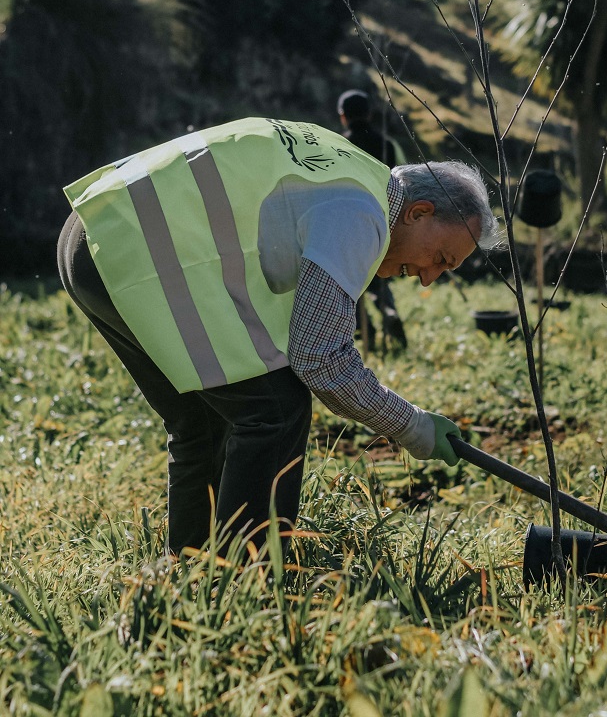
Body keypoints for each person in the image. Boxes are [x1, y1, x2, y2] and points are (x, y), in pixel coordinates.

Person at [57, 116, 499, 557]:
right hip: (135, 250)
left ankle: (192, 572)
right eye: (441, 258)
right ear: (419, 212)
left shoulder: (351, 170)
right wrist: (413, 426)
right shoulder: (362, 214)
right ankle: (250, 580)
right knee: (277, 409)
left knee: (204, 421)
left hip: (93, 234)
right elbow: (320, 360)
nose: (428, 279)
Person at [337, 89, 406, 349]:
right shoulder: (388, 144)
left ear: (343, 116)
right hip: (382, 224)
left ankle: (366, 331)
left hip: (349, 225)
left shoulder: (339, 145)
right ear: (370, 113)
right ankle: (390, 311)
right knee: (380, 276)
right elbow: (402, 183)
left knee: (353, 285)